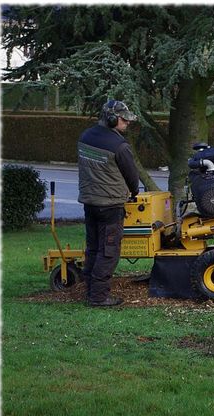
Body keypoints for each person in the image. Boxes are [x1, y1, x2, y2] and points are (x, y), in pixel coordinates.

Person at [77, 100, 140, 307]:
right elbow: (132, 177)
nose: (127, 123)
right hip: (111, 206)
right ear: (112, 119)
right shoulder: (119, 146)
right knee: (108, 251)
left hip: (90, 202)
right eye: (124, 119)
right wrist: (133, 192)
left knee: (93, 247)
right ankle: (99, 297)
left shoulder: (85, 137)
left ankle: (88, 291)